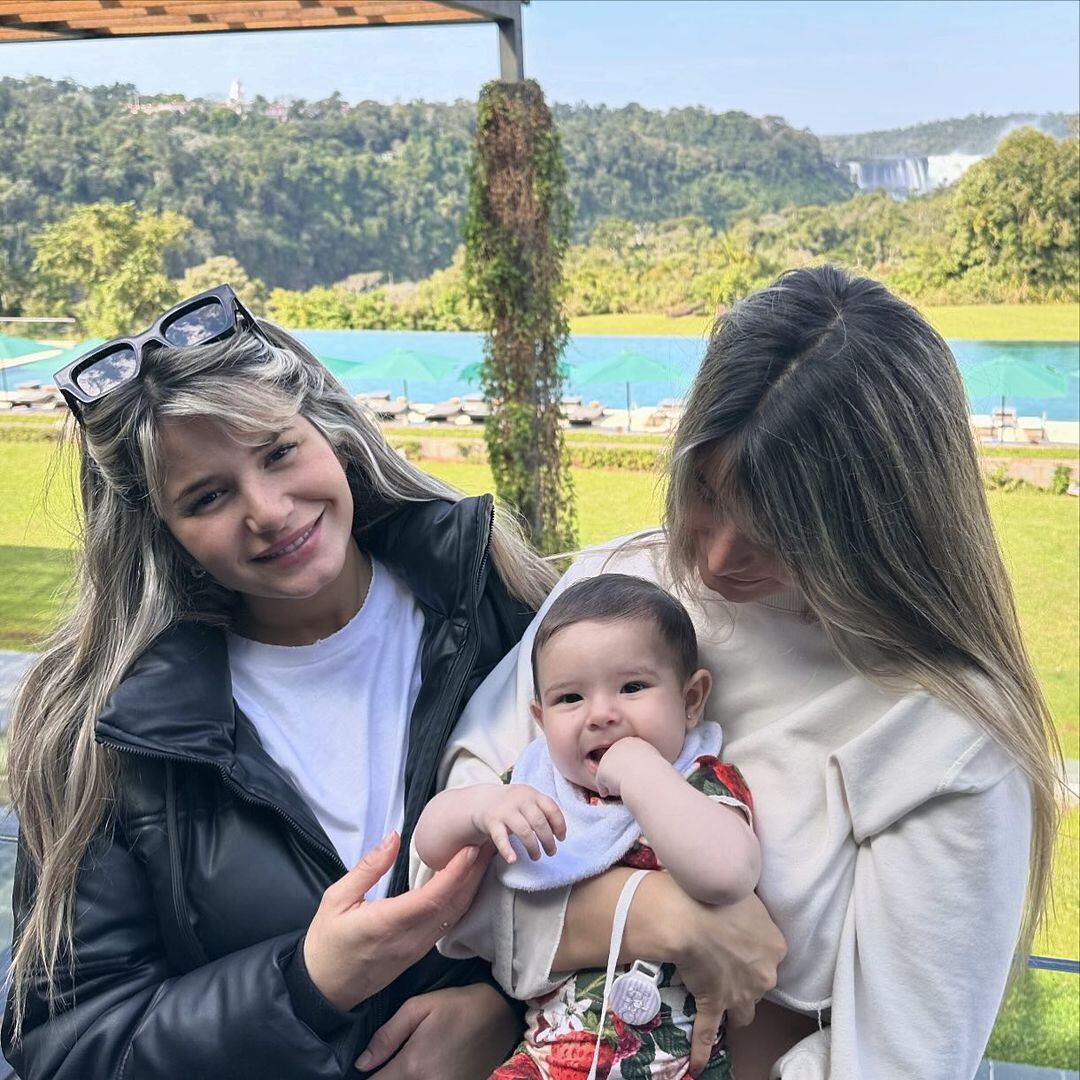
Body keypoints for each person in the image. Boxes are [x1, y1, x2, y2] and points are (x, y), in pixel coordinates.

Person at [408, 265, 1061, 1079]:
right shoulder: (620, 590)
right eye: (708, 492)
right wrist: (659, 916)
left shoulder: (942, 729)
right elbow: (437, 883)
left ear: (881, 524)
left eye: (782, 531)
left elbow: (902, 1061)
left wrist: (544, 924)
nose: (715, 557)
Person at [1, 284, 559, 1079]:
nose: (268, 510)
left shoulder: (501, 603)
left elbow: (620, 849)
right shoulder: (103, 733)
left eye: (277, 452)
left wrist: (512, 1014)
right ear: (161, 528)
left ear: (326, 431)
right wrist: (307, 986)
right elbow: (68, 1044)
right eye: (208, 496)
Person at [415, 573, 760, 1079]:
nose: (601, 714)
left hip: (683, 1064)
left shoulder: (699, 782)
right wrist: (479, 807)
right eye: (570, 699)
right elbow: (430, 847)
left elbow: (729, 874)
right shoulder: (537, 789)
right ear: (540, 717)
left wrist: (643, 773)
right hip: (552, 1058)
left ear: (691, 700)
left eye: (633, 687)